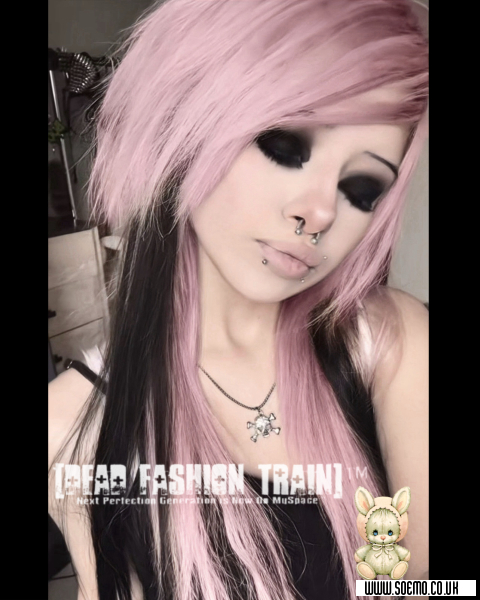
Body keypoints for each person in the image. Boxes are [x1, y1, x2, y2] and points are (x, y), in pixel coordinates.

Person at [48, 0, 429, 598]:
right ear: (182, 121)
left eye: (361, 189)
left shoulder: (385, 343)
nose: (319, 213)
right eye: (285, 146)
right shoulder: (69, 424)